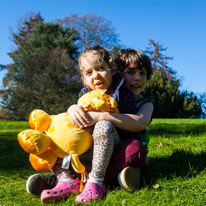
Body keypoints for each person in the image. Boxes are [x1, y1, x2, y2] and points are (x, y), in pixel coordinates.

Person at [26, 46, 153, 204]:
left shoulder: (139, 101)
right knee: (61, 136)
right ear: (119, 72)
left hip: (118, 148)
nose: (137, 78)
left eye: (142, 73)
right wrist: (72, 109)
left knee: (131, 147)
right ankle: (64, 178)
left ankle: (90, 181)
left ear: (112, 71)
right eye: (130, 72)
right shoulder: (87, 95)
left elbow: (139, 123)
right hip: (93, 151)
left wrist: (99, 116)